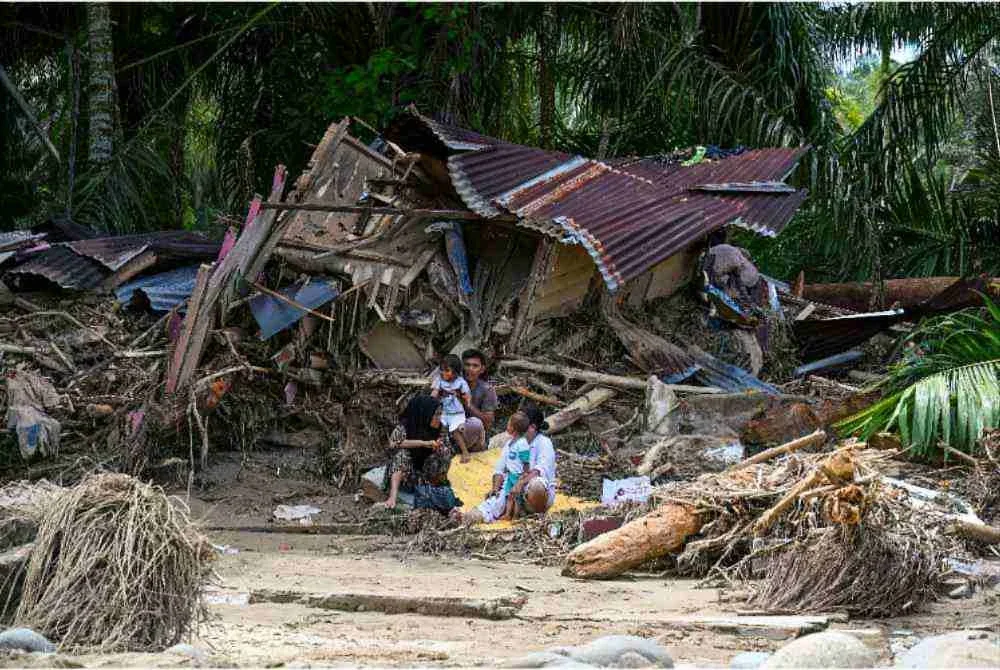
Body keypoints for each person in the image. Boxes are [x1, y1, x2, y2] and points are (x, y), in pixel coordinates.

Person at [451, 406, 557, 526]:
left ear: (532, 427)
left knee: (536, 485)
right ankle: (466, 518)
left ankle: (534, 513)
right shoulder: (511, 444)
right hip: (512, 488)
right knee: (492, 505)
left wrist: (520, 483)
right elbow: (499, 470)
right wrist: (495, 489)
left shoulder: (544, 442)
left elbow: (540, 470)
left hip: (534, 493)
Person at [369, 394, 453, 510]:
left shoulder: (440, 428)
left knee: (444, 455)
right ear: (425, 414)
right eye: (436, 414)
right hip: (406, 476)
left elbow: (447, 447)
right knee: (402, 454)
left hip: (424, 475)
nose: (439, 417)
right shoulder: (407, 425)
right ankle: (392, 497)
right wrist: (423, 443)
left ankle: (433, 488)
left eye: (440, 414)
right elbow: (393, 442)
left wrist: (440, 448)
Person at [431, 354, 472, 462]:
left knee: (455, 431)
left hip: (456, 411)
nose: (443, 372)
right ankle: (440, 451)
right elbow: (434, 393)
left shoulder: (461, 382)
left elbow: (467, 395)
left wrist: (466, 400)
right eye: (442, 370)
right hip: (443, 410)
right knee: (437, 428)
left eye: (447, 370)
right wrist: (431, 401)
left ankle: (465, 452)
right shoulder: (439, 379)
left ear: (455, 372)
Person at [458, 349, 498, 452]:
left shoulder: (487, 390)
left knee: (475, 424)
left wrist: (468, 404)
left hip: (473, 435)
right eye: (467, 365)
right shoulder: (455, 383)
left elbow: (488, 422)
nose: (470, 369)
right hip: (451, 431)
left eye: (475, 366)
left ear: (482, 369)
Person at [497, 412, 532, 521]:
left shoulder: (522, 444)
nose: (507, 426)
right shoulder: (511, 442)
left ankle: (515, 515)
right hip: (511, 475)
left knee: (517, 497)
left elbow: (526, 461)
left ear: (514, 428)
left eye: (508, 424)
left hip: (518, 476)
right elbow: (512, 459)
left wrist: (524, 475)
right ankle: (508, 514)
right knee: (509, 495)